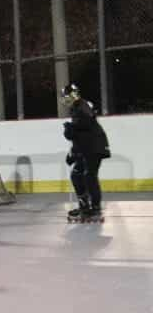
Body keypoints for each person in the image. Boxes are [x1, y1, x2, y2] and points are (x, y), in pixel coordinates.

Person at [61, 83, 111, 221]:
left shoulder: (82, 106)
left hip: (95, 147)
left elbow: (87, 122)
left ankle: (95, 208)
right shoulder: (76, 109)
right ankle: (85, 207)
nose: (66, 99)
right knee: (77, 175)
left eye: (67, 96)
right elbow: (80, 136)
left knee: (89, 175)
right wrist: (73, 153)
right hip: (88, 147)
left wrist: (72, 126)